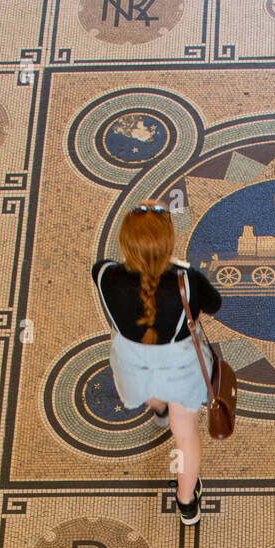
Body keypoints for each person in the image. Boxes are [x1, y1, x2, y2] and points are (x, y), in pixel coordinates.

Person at [91, 202, 222, 524]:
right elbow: (215, 304)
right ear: (168, 244)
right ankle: (187, 503)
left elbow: (109, 268)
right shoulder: (187, 281)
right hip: (181, 369)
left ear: (126, 243)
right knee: (185, 435)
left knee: (149, 389)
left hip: (133, 364)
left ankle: (159, 410)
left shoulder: (105, 275)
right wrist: (178, 269)